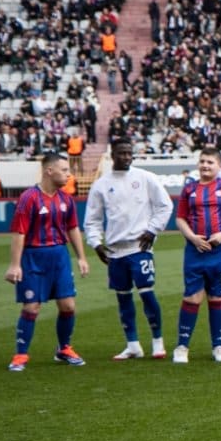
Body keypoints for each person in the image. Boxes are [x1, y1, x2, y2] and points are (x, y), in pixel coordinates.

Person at [83, 139, 174, 360]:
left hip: (139, 247)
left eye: (129, 153)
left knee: (147, 293)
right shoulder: (101, 185)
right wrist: (95, 243)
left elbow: (166, 205)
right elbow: (92, 219)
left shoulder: (145, 178)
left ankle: (158, 342)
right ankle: (133, 345)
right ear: (112, 155)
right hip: (115, 251)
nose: (126, 157)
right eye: (121, 153)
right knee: (123, 298)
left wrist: (152, 230)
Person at [5, 153, 89, 371]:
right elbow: (18, 232)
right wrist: (15, 265)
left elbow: (72, 229)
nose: (68, 174)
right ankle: (21, 355)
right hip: (33, 257)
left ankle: (64, 349)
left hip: (60, 256)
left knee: (68, 305)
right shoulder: (29, 198)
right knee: (32, 307)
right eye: (64, 170)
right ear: (49, 171)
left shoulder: (66, 199)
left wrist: (81, 257)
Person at [172, 147, 221, 364]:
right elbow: (180, 218)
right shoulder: (189, 189)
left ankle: (218, 345)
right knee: (192, 297)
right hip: (195, 252)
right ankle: (182, 346)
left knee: (218, 297)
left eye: (210, 162)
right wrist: (193, 237)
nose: (205, 165)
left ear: (219, 166)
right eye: (202, 161)